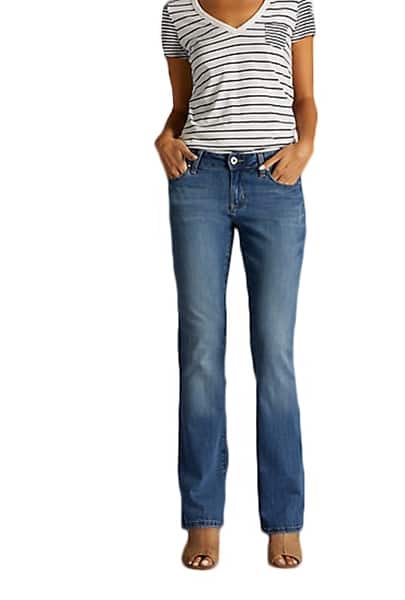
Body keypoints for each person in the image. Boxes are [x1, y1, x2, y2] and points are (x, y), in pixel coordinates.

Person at [155, 0, 317, 569]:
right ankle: (203, 518)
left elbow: (304, 98)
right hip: (197, 181)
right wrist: (164, 137)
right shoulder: (177, 10)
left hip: (275, 182)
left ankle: (284, 519)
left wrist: (304, 147)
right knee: (200, 352)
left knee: (274, 354)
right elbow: (182, 108)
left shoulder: (293, 5)